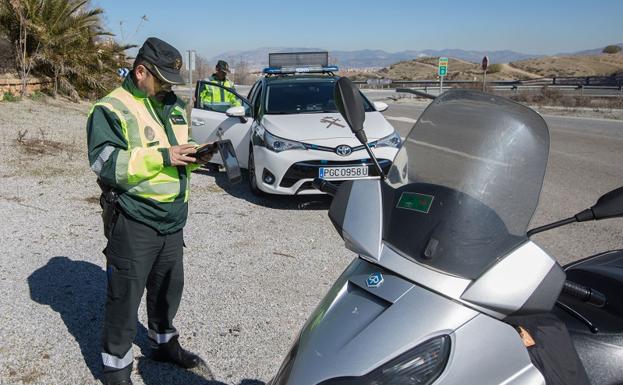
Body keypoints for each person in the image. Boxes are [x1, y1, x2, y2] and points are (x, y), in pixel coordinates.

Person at [86, 37, 216, 385]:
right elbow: (104, 161)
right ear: (140, 71)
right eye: (162, 80)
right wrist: (163, 157)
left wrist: (193, 156)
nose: (168, 88)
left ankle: (163, 344)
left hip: (172, 218)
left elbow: (175, 153)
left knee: (167, 288)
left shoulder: (172, 105)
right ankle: (116, 369)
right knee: (124, 297)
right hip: (133, 218)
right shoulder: (111, 108)